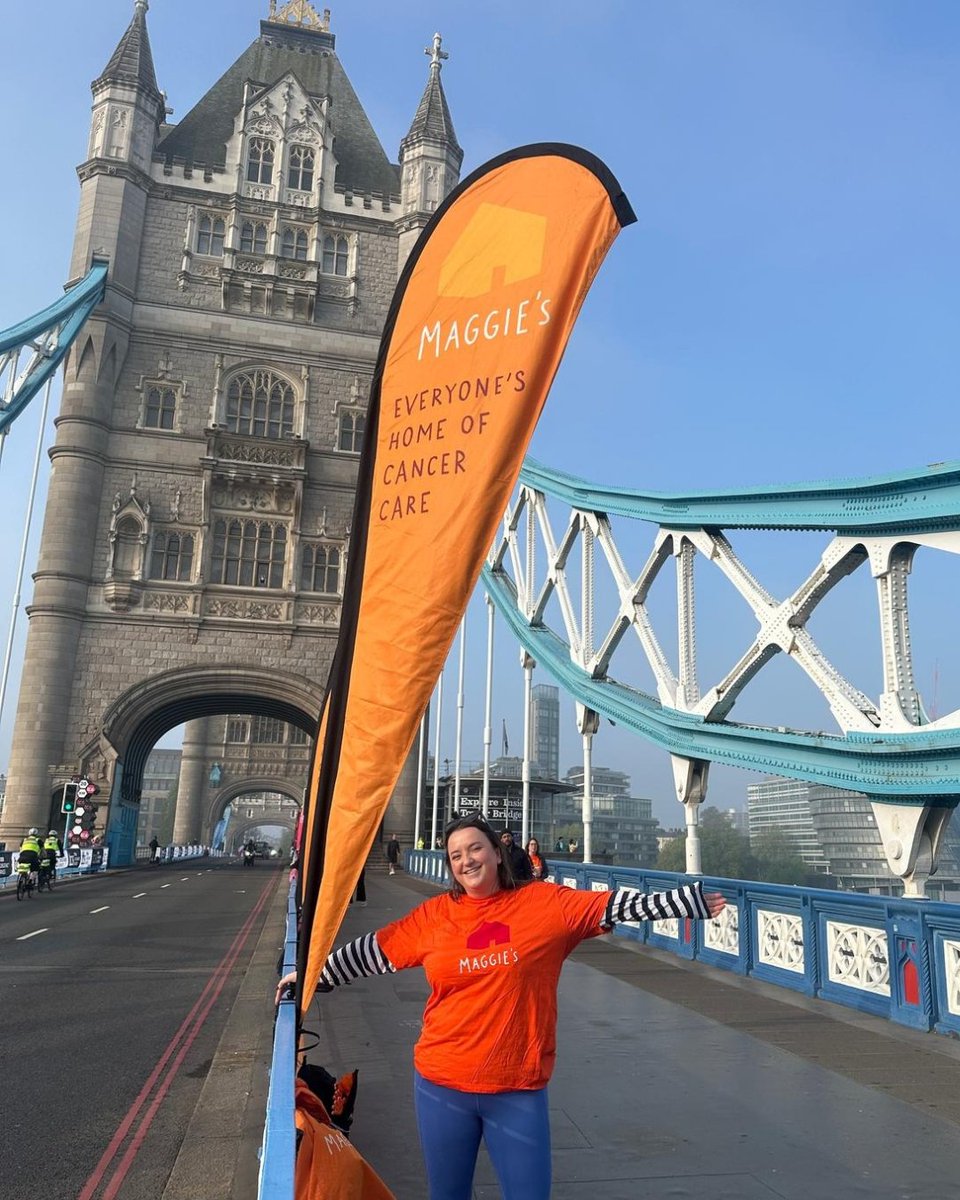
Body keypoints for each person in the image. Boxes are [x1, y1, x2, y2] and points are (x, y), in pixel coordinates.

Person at [280, 811, 724, 1199]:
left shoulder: (547, 905)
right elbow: (376, 950)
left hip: (517, 1087)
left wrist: (686, 901)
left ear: (497, 851)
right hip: (442, 1084)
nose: (467, 860)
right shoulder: (435, 916)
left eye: (475, 848)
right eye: (456, 855)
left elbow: (616, 905)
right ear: (450, 866)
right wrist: (313, 977)